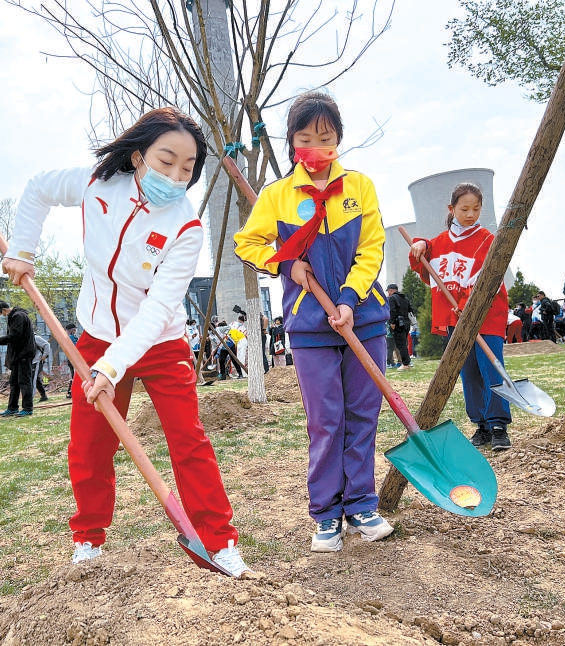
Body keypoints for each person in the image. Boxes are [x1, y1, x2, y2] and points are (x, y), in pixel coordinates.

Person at [0, 107, 248, 575]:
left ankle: (219, 541)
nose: (175, 175)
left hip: (160, 342)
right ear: (138, 157)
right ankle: (88, 539)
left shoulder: (185, 227)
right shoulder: (97, 184)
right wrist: (22, 249)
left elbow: (156, 311)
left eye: (187, 168)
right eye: (165, 160)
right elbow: (37, 188)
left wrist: (110, 370)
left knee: (187, 439)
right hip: (95, 336)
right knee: (89, 444)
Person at [234, 91, 395, 552]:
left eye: (326, 137)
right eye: (305, 138)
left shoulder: (359, 187)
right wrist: (286, 265)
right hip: (308, 327)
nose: (317, 147)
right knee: (325, 420)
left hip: (363, 320)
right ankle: (326, 513)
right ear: (291, 145)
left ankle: (362, 504)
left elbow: (372, 248)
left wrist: (348, 299)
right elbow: (247, 244)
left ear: (339, 139)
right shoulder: (277, 195)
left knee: (362, 416)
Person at [409, 182, 513, 451]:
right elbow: (425, 267)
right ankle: (481, 424)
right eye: (464, 209)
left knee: (491, 368)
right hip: (456, 320)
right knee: (468, 373)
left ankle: (499, 424)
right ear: (451, 208)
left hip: (485, 316)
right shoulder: (441, 243)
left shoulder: (488, 240)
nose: (470, 214)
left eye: (476, 209)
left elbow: (487, 278)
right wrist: (419, 246)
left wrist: (468, 303)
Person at [0, 301, 37, 417]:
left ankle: (27, 408)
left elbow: (15, 336)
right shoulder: (15, 316)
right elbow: (13, 338)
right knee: (14, 382)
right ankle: (12, 407)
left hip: (24, 354)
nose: (2, 316)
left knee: (24, 381)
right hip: (17, 355)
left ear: (3, 309)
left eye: (0, 314)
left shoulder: (18, 316)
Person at [386, 283, 414, 370]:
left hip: (398, 323)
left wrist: (392, 323)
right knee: (404, 343)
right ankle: (408, 362)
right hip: (406, 323)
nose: (388, 293)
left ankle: (405, 364)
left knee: (400, 344)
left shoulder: (392, 298)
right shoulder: (405, 298)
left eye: (388, 291)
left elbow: (392, 311)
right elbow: (411, 310)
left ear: (391, 290)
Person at [32, 334, 52, 402]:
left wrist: (44, 356)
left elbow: (47, 345)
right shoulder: (25, 338)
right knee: (36, 379)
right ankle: (43, 395)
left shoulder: (35, 337)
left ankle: (30, 398)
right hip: (30, 362)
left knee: (33, 379)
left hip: (37, 361)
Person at [65, 323, 79, 398]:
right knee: (75, 375)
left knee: (74, 375)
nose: (75, 331)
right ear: (72, 330)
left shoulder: (68, 337)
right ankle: (71, 391)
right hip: (73, 359)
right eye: (74, 329)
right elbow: (76, 347)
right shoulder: (71, 337)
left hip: (71, 359)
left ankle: (70, 391)